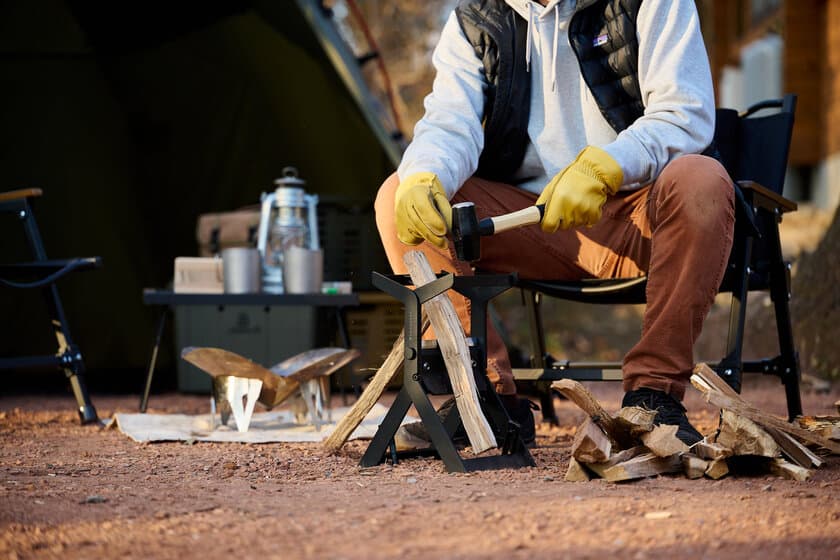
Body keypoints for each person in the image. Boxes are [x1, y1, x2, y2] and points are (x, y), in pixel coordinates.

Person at [375, 0, 734, 446]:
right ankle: (484, 400)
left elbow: (685, 113)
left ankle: (652, 397)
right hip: (524, 224)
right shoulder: (475, 18)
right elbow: (450, 124)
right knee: (398, 193)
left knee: (702, 180)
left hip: (639, 220)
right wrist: (425, 171)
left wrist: (609, 166)